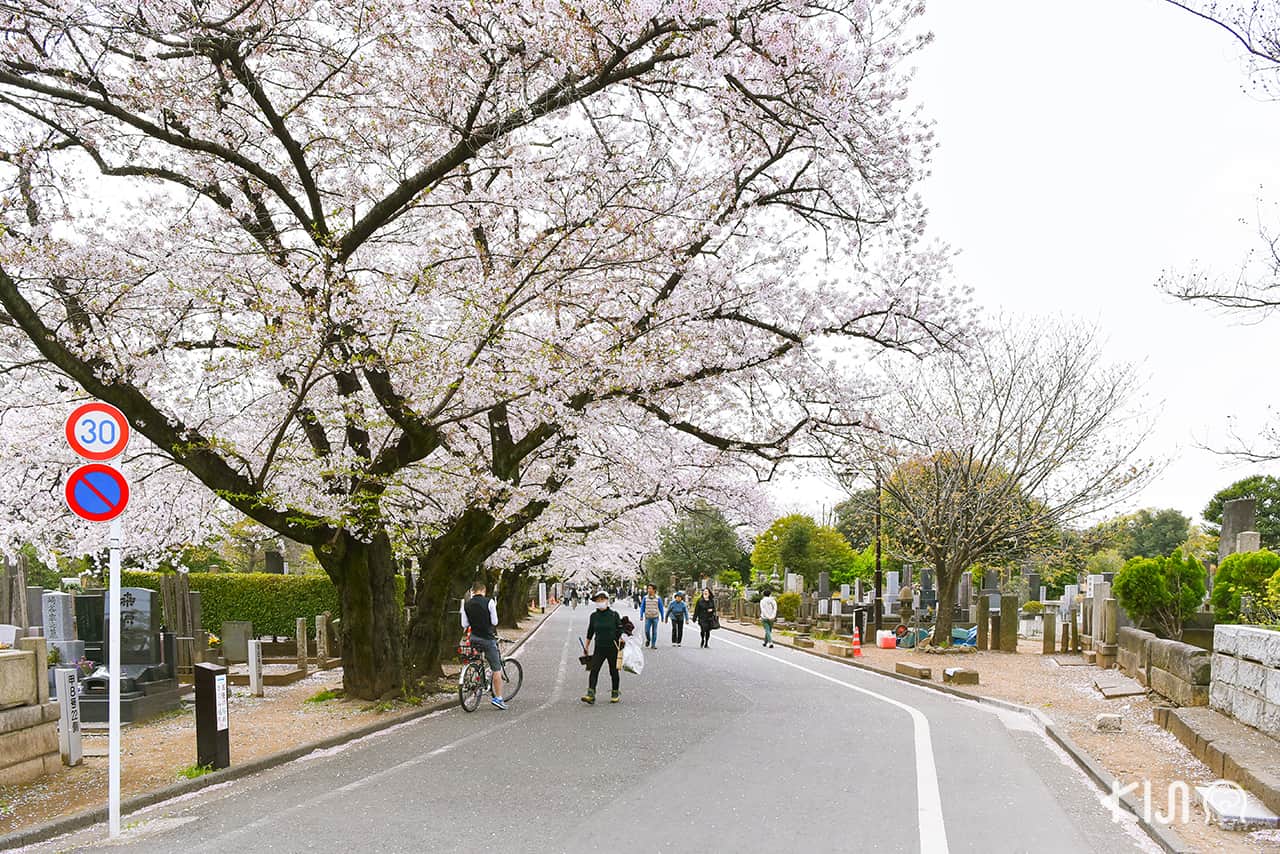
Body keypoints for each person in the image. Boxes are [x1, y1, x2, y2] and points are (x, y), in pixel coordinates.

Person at [461, 580, 506, 710]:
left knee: (477, 659)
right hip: (487, 638)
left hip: (473, 638)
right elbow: (495, 622)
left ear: (473, 591)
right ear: (483, 590)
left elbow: (464, 624)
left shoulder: (466, 604)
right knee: (496, 668)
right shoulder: (489, 602)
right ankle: (498, 698)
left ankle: (476, 677)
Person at [582, 590, 622, 704]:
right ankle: (591, 694)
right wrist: (586, 646)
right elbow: (590, 632)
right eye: (598, 600)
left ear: (607, 600)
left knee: (613, 671)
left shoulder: (614, 615)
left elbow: (620, 629)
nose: (600, 602)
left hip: (612, 647)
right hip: (599, 647)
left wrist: (622, 638)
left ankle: (615, 692)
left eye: (602, 599)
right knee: (594, 670)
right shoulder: (594, 616)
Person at [639, 584, 665, 648]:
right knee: (647, 630)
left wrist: (662, 616)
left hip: (655, 617)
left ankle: (653, 645)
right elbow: (642, 607)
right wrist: (641, 615)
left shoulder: (658, 598)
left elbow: (661, 608)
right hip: (648, 617)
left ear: (654, 590)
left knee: (654, 631)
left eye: (650, 588)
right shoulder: (645, 598)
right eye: (648, 588)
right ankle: (648, 639)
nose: (649, 590)